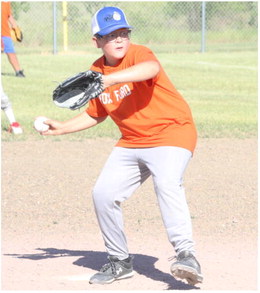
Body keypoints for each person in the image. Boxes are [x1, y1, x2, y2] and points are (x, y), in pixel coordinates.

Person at [41, 6, 203, 286]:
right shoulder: (95, 71)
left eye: (123, 33)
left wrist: (110, 78)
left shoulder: (139, 54)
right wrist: (62, 128)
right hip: (132, 141)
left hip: (172, 132)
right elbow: (96, 112)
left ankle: (186, 254)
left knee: (167, 183)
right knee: (103, 194)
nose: (119, 40)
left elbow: (150, 69)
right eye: (110, 35)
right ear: (97, 41)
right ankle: (119, 262)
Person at [1, 1, 25, 77]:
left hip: (5, 32)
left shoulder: (6, 2)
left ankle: (18, 72)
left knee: (11, 52)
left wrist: (15, 27)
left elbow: (9, 15)